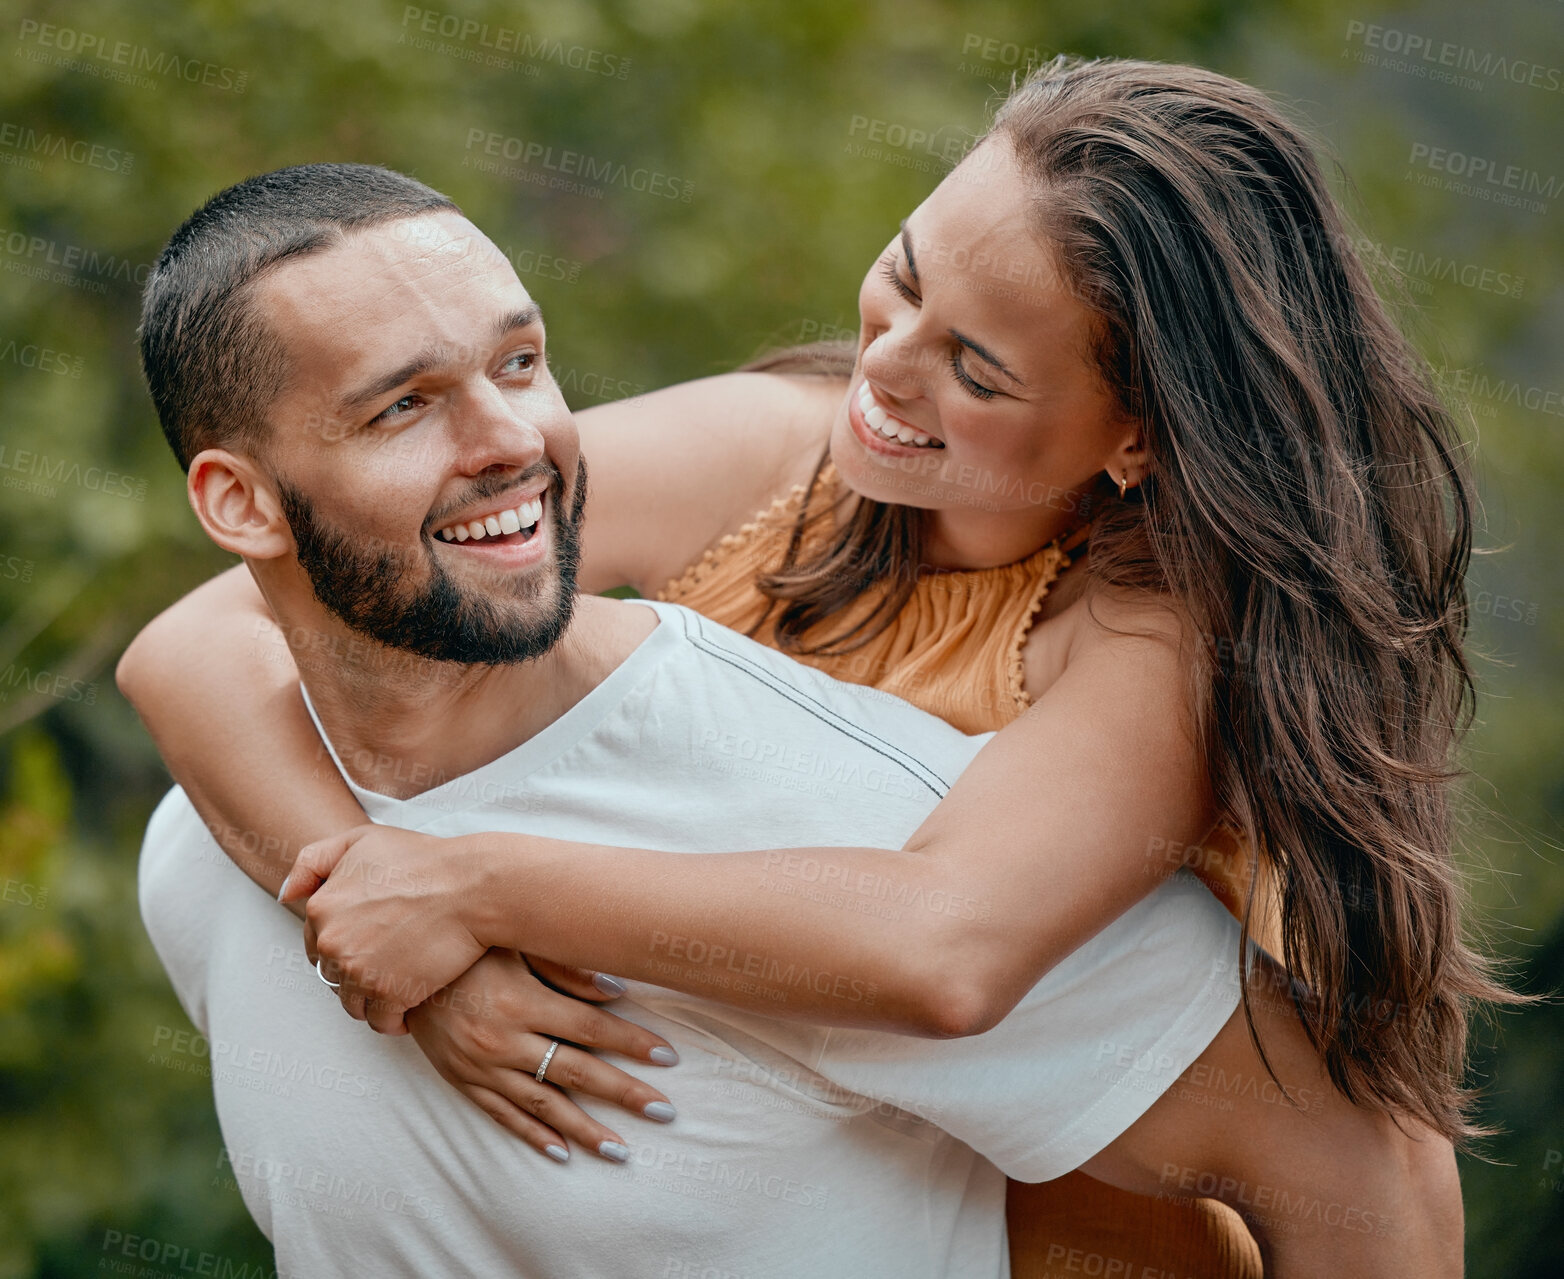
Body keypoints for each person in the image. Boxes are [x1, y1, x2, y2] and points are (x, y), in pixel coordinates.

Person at [121, 58, 1481, 1276]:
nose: (883, 368)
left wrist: (475, 889)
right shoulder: (793, 452)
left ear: (1134, 438)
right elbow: (217, 631)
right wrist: (396, 936)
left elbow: (946, 951)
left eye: (980, 370)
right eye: (903, 273)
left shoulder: (1152, 635)